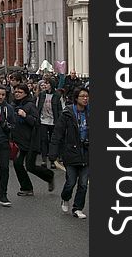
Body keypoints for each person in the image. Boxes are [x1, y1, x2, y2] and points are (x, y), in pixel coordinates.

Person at [49, 87, 90, 219]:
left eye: (87, 96)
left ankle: (77, 208)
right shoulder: (67, 114)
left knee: (83, 184)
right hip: (71, 152)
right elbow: (57, 133)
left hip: (86, 152)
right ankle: (65, 198)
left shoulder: (90, 113)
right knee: (71, 182)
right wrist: (53, 153)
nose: (85, 99)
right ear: (76, 98)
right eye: (82, 96)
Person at [11, 83, 55, 197]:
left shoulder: (30, 105)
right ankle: (26, 188)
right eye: (16, 92)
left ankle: (49, 176)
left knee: (30, 166)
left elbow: (36, 122)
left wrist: (25, 116)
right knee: (17, 163)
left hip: (32, 141)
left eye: (20, 92)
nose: (17, 94)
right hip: (20, 141)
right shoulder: (14, 104)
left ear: (25, 93)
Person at [36, 77, 63, 168]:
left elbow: (61, 109)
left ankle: (53, 160)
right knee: (44, 140)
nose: (45, 85)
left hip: (54, 121)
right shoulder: (41, 95)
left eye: (47, 83)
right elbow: (37, 106)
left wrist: (60, 121)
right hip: (43, 120)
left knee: (53, 141)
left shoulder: (58, 95)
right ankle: (44, 160)